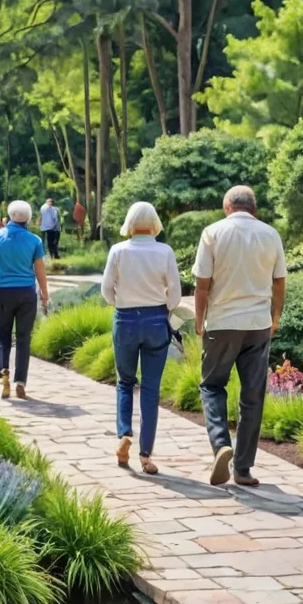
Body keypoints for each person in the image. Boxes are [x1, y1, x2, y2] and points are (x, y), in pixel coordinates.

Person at [193, 185, 286, 487]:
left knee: (211, 386)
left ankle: (221, 444)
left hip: (222, 323)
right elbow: (279, 281)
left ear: (227, 208)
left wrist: (199, 321)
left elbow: (202, 284)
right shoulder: (270, 234)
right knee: (252, 396)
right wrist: (275, 318)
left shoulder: (212, 233)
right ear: (253, 209)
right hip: (258, 324)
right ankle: (243, 470)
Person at [100, 201, 181, 475]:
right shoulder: (164, 251)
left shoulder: (119, 250)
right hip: (156, 320)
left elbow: (106, 289)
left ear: (130, 223)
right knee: (150, 387)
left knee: (124, 382)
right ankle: (145, 455)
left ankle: (124, 432)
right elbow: (175, 293)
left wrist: (120, 303)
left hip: (125, 320)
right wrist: (165, 307)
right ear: (155, 223)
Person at [0, 200, 50, 400]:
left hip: (2, 292)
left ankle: (4, 372)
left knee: (3, 335)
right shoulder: (34, 240)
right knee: (24, 338)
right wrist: (44, 294)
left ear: (9, 216)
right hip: (26, 293)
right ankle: (20, 382)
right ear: (27, 218)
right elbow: (40, 271)